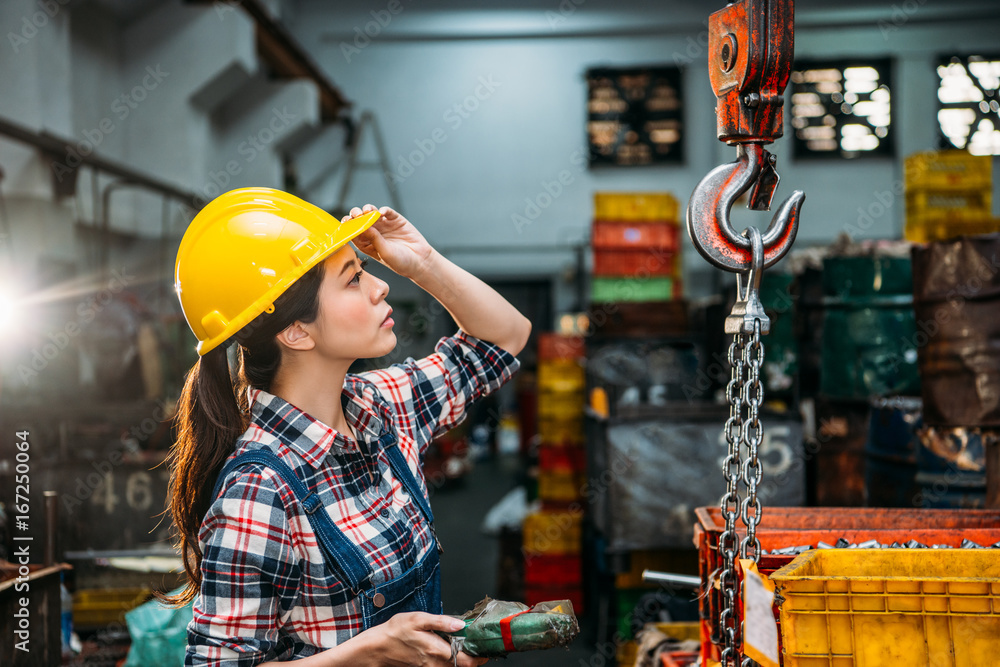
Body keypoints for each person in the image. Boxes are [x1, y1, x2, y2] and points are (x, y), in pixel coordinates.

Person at [164, 188, 531, 666]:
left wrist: (421, 262)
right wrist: (370, 653)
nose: (380, 286)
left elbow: (504, 338)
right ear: (296, 331)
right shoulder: (260, 491)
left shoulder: (380, 407)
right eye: (353, 279)